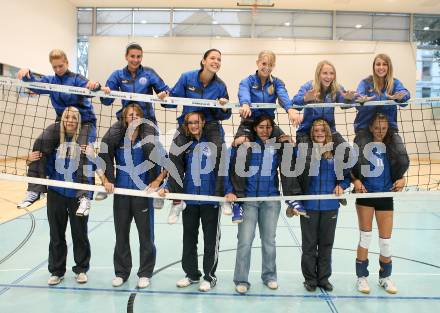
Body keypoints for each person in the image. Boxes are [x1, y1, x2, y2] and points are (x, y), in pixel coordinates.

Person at [17, 49, 100, 216]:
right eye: (54, 67)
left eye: (60, 66)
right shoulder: (50, 80)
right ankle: (35, 189)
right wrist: (26, 74)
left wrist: (95, 85)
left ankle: (84, 196)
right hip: (62, 122)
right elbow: (34, 83)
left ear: (67, 63)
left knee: (83, 149)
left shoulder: (76, 79)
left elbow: (93, 87)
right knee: (41, 143)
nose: (58, 69)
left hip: (85, 122)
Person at [225, 115, 296, 294]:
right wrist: (234, 144)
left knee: (269, 241)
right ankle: (241, 280)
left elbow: (292, 164)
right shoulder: (245, 144)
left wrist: (291, 145)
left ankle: (270, 276)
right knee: (245, 241)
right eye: (261, 127)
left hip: (270, 200)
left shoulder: (277, 146)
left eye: (268, 127)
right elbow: (228, 165)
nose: (265, 130)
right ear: (255, 128)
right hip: (248, 201)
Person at [98, 103, 165, 289]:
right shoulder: (118, 140)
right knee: (121, 235)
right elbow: (101, 159)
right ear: (125, 119)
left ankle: (145, 273)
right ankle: (121, 273)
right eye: (130, 115)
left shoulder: (148, 140)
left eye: (136, 114)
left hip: (142, 195)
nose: (133, 117)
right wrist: (105, 180)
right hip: (121, 194)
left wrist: (157, 181)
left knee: (146, 236)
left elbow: (167, 162)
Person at [26, 107, 93, 285]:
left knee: (80, 234)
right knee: (56, 234)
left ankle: (81, 269)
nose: (70, 120)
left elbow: (91, 169)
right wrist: (30, 159)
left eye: (74, 118)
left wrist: (93, 156)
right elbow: (44, 166)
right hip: (56, 193)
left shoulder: (85, 143)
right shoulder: (54, 142)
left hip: (76, 195)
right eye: (67, 117)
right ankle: (56, 271)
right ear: (62, 120)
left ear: (79, 122)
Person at [159, 111, 222, 292]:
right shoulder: (184, 145)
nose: (194, 126)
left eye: (196, 122)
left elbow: (223, 168)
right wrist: (167, 186)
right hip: (190, 198)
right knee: (189, 239)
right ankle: (192, 274)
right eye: (190, 123)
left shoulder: (214, 143)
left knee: (211, 241)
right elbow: (177, 170)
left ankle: (209, 277)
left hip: (210, 199)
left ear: (203, 122)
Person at [285, 119, 351, 292]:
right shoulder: (305, 153)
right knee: (309, 245)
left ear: (327, 132)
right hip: (310, 206)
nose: (319, 133)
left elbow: (345, 177)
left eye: (322, 130)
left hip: (330, 206)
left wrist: (341, 186)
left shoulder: (336, 153)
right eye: (316, 131)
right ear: (312, 133)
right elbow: (293, 176)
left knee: (326, 244)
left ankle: (323, 278)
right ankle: (310, 279)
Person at [98, 42, 170, 200]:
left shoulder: (149, 73)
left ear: (141, 57)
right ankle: (108, 182)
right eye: (132, 56)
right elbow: (106, 101)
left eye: (138, 56)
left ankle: (155, 184)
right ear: (126, 57)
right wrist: (106, 93)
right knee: (106, 143)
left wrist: (164, 95)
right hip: (126, 119)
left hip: (146, 120)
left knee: (150, 146)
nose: (135, 60)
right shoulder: (117, 75)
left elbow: (166, 92)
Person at [353, 113, 407, 295]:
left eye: (383, 128)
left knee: (385, 242)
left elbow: (398, 169)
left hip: (385, 195)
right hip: (366, 196)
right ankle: (362, 278)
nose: (380, 131)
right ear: (370, 128)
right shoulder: (362, 145)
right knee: (365, 238)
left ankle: (385, 277)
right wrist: (355, 182)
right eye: (377, 128)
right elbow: (351, 167)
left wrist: (403, 180)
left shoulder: (392, 146)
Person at [167, 48, 231, 199]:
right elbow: (172, 101)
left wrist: (223, 107)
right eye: (212, 58)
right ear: (204, 61)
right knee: (174, 154)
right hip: (188, 123)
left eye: (219, 59)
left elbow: (225, 115)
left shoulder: (220, 86)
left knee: (221, 153)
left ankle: (221, 196)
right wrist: (165, 99)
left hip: (210, 125)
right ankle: (176, 197)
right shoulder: (187, 77)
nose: (216, 62)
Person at [353, 53, 410, 181]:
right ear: (373, 67)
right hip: (365, 129)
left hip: (389, 129)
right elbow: (357, 100)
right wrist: (361, 100)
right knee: (361, 160)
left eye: (384, 64)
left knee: (402, 160)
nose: (381, 67)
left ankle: (391, 181)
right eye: (378, 64)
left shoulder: (394, 83)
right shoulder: (365, 83)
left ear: (389, 67)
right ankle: (360, 184)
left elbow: (405, 94)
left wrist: (402, 97)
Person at [235, 50, 300, 146]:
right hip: (249, 122)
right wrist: (245, 104)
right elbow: (243, 92)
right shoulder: (247, 81)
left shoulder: (276, 83)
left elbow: (283, 95)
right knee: (241, 144)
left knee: (288, 143)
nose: (267, 68)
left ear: (273, 66)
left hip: (268, 124)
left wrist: (290, 109)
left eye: (270, 65)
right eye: (264, 64)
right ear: (257, 63)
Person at [292, 60, 356, 145]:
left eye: (331, 73)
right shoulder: (308, 87)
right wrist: (305, 99)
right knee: (307, 156)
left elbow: (343, 104)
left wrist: (349, 99)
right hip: (306, 131)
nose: (328, 77)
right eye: (325, 73)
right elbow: (295, 102)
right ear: (318, 74)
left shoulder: (337, 88)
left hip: (329, 131)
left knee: (347, 153)